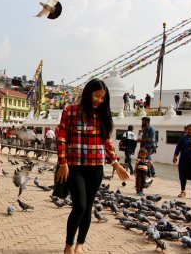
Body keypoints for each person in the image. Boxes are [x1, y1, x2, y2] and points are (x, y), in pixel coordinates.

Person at [56, 78, 129, 254]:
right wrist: (63, 163)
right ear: (88, 93)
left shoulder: (102, 115)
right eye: (97, 96)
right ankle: (68, 244)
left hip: (96, 168)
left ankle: (80, 244)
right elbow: (62, 138)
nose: (99, 100)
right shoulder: (70, 111)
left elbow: (107, 142)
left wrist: (116, 164)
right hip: (75, 167)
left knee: (88, 207)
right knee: (79, 206)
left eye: (103, 98)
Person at [173, 124, 191, 200]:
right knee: (183, 176)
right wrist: (175, 156)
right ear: (186, 130)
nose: (189, 131)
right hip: (183, 160)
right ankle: (183, 191)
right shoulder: (183, 138)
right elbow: (178, 147)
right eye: (188, 130)